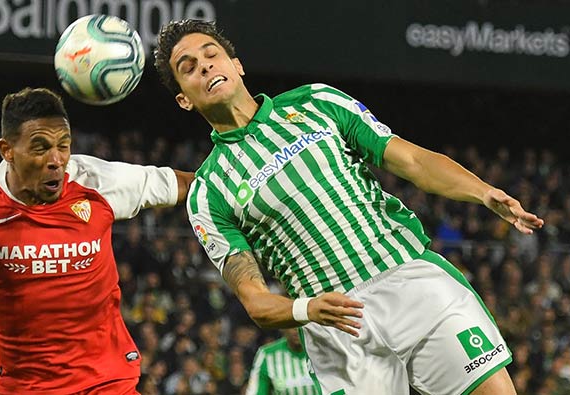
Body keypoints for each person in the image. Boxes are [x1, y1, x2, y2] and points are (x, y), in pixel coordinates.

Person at [153, 20, 544, 395]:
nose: (204, 66)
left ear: (236, 65)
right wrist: (308, 309)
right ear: (184, 99)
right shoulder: (207, 191)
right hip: (335, 324)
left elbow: (411, 161)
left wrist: (482, 192)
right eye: (189, 68)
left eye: (211, 55)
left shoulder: (317, 103)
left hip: (410, 281)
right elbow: (255, 301)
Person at [0, 88, 195, 395]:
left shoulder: (94, 180)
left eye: (63, 146)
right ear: (8, 150)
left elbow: (190, 184)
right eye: (40, 147)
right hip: (26, 387)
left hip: (107, 383)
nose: (56, 160)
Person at [245, 328, 317, 395]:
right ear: (282, 328)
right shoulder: (267, 355)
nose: (297, 329)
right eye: (291, 324)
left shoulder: (324, 349)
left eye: (302, 323)